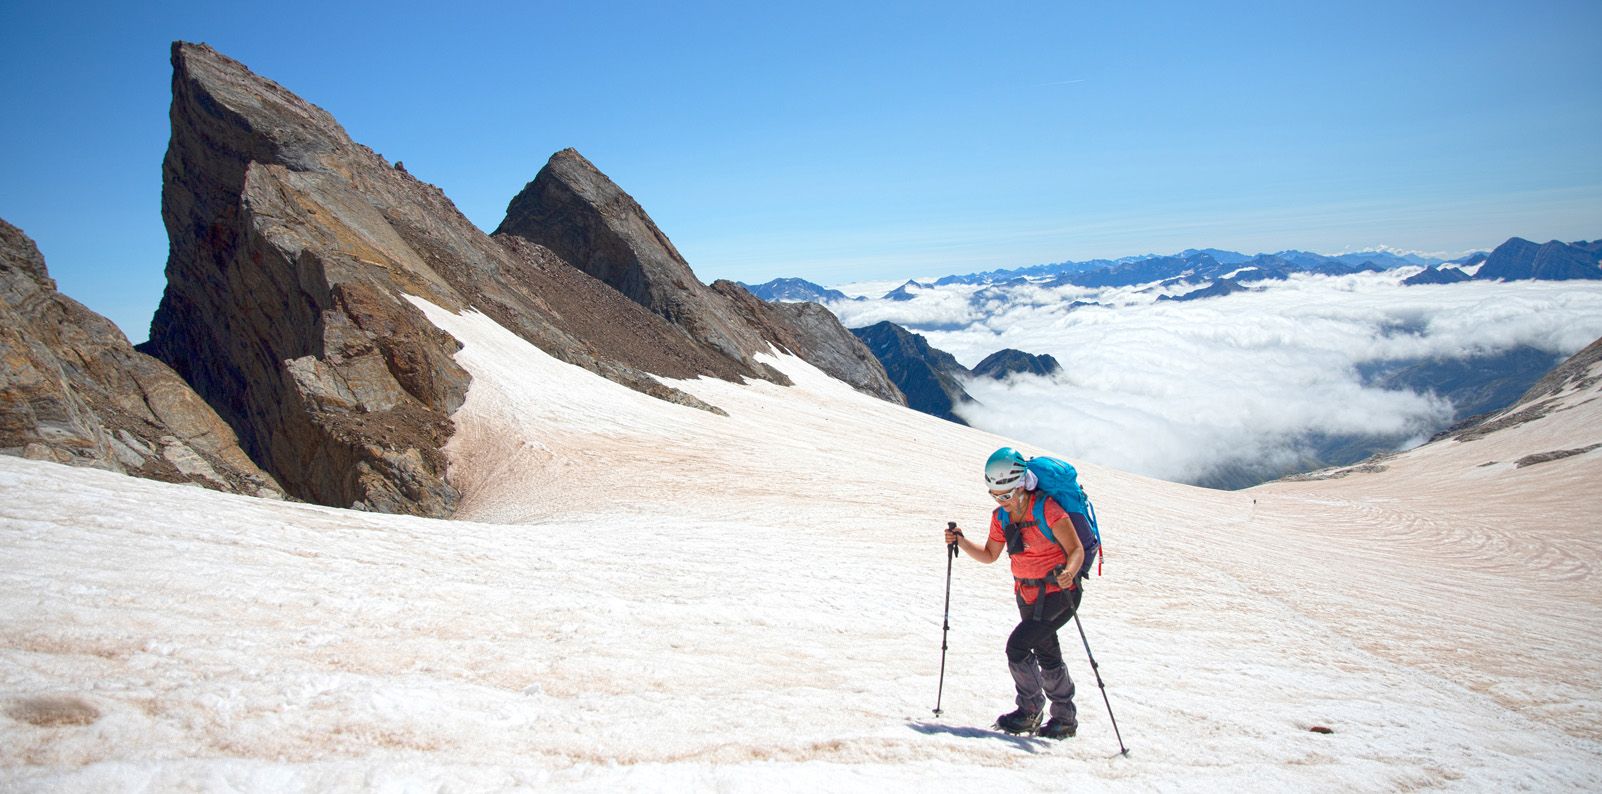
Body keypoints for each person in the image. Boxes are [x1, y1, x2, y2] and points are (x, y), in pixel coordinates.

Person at [943, 447, 1090, 739]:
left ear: (1021, 484)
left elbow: (1076, 549)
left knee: (1018, 647)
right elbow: (989, 554)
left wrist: (1069, 573)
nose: (1002, 501)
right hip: (1027, 594)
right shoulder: (1001, 518)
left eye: (1006, 494)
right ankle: (1064, 719)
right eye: (995, 495)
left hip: (1060, 593)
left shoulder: (1048, 509)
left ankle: (1030, 710)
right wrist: (961, 540)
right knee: (1047, 653)